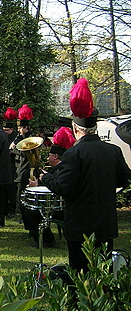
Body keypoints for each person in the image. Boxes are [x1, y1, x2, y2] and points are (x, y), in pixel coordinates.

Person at [40, 79, 131, 273]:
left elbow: (65, 188)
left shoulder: (74, 153)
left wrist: (45, 178)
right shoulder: (113, 151)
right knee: (103, 274)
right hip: (105, 224)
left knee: (81, 275)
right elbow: (125, 180)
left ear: (75, 128)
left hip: (81, 227)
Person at [24, 127, 74, 248]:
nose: (47, 158)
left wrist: (36, 187)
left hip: (60, 207)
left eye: (50, 155)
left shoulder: (61, 170)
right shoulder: (57, 169)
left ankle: (46, 240)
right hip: (56, 204)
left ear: (56, 156)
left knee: (32, 212)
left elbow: (56, 188)